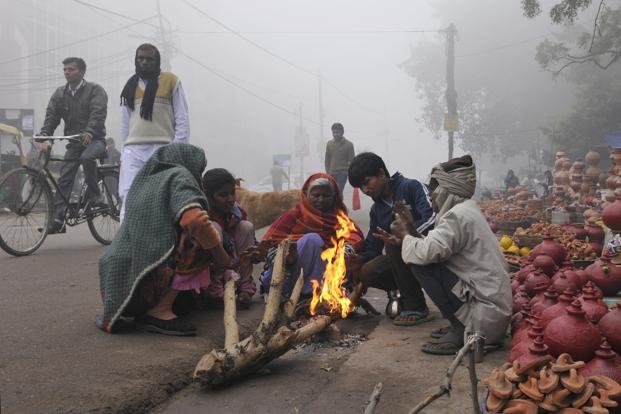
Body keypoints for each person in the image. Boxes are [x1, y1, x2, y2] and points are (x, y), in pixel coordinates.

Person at [376, 155, 511, 355]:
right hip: (492, 315)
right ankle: (460, 324)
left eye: (434, 191)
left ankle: (461, 330)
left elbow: (424, 254)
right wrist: (411, 230)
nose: (431, 197)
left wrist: (405, 235)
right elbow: (436, 246)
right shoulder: (467, 210)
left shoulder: (457, 216)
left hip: (483, 322)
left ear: (448, 190)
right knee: (420, 255)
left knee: (420, 264)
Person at [98, 143, 230, 336]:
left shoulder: (146, 180)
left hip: (116, 288)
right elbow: (195, 220)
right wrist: (224, 260)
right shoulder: (179, 176)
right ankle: (159, 311)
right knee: (204, 234)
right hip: (143, 283)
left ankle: (165, 304)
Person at [347, 152, 436, 326]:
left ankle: (417, 306)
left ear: (381, 174)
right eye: (360, 187)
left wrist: (406, 235)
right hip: (406, 262)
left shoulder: (412, 187)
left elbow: (433, 218)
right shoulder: (376, 210)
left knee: (394, 244)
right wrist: (358, 259)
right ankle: (400, 292)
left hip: (432, 251)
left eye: (366, 183)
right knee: (367, 271)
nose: (365, 190)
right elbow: (373, 246)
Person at [259, 173, 364, 302]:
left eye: (326, 196)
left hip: (325, 276)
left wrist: (343, 251)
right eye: (316, 195)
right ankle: (304, 295)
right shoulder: (294, 216)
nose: (320, 200)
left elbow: (354, 236)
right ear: (306, 195)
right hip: (288, 277)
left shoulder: (340, 219)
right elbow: (269, 244)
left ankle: (314, 296)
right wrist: (285, 257)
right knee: (312, 240)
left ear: (334, 198)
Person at [119, 43, 190, 221]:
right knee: (129, 198)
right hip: (133, 151)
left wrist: (176, 149)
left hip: (162, 150)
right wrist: (123, 152)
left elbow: (182, 119)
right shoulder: (129, 86)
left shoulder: (171, 81)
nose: (144, 62)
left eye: (149, 59)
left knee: (163, 199)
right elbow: (124, 124)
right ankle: (126, 245)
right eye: (140, 58)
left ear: (157, 60)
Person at [38, 57, 108, 234]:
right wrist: (45, 133)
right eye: (65, 70)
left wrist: (90, 131)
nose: (67, 72)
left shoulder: (95, 90)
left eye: (71, 69)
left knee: (87, 157)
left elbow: (98, 113)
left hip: (96, 140)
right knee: (65, 179)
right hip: (75, 143)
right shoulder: (60, 94)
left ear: (82, 72)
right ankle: (58, 220)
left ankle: (95, 194)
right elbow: (52, 116)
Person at [202, 168, 258, 309]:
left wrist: (258, 252)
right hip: (212, 271)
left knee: (246, 227)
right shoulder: (201, 214)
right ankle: (215, 293)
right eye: (223, 195)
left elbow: (251, 246)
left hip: (235, 268)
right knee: (213, 229)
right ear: (209, 196)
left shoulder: (237, 213)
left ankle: (245, 289)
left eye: (232, 193)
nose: (231, 199)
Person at [325, 122, 355, 196]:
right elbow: (327, 159)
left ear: (342, 132)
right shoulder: (329, 144)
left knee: (338, 190)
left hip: (343, 173)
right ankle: (336, 205)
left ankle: (338, 206)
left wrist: (350, 173)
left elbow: (352, 161)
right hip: (331, 173)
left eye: (337, 132)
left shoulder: (349, 145)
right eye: (333, 132)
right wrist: (328, 172)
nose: (335, 134)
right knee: (331, 192)